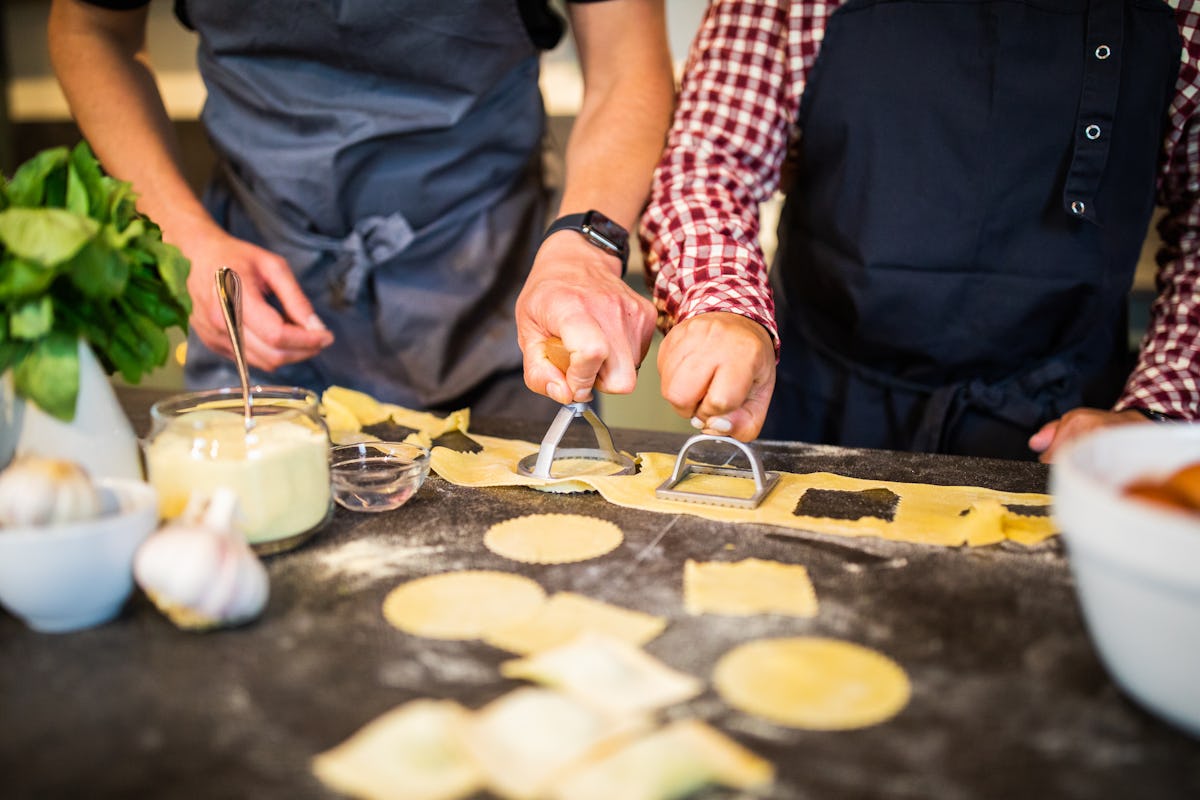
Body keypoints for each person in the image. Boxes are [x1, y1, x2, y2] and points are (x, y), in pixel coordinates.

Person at [619, 0, 1199, 461]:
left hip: (1063, 423)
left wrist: (1154, 412)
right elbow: (711, 161)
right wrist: (724, 306)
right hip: (815, 395)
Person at [48, 0, 673, 422]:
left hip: (502, 307)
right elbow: (88, 30)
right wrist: (184, 235)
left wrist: (584, 246)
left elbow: (627, 64)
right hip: (259, 301)